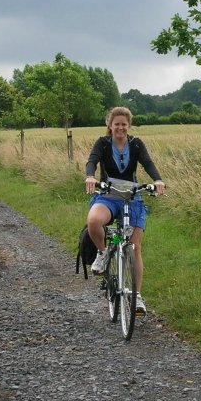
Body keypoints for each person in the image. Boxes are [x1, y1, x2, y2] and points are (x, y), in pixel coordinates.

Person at [84, 107, 165, 314]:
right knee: (94, 221)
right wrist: (90, 176)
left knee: (135, 247)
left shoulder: (136, 144)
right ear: (110, 125)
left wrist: (157, 180)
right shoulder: (103, 143)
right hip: (108, 196)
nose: (120, 127)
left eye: (124, 124)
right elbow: (92, 160)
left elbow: (147, 163)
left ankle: (136, 296)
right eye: (116, 123)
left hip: (131, 197)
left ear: (128, 126)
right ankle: (102, 254)